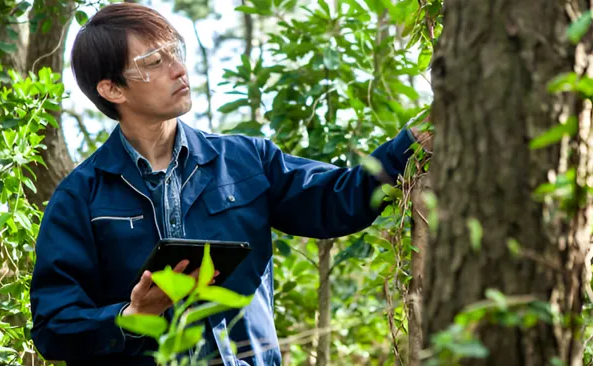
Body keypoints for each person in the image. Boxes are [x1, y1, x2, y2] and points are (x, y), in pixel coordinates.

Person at [29, 3, 431, 366]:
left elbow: (338, 199)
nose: (178, 68)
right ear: (112, 88)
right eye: (154, 60)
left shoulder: (247, 160)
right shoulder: (80, 198)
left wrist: (408, 146)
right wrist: (131, 318)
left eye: (176, 52)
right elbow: (54, 328)